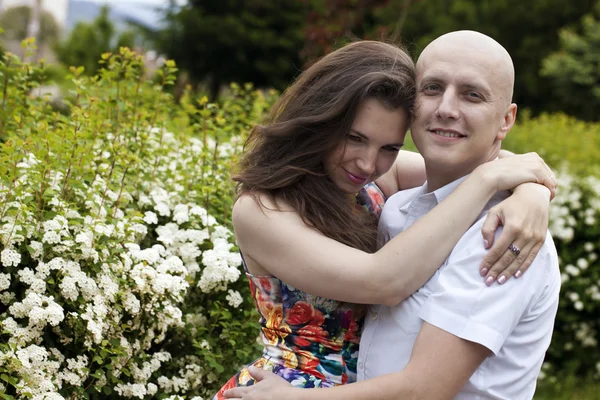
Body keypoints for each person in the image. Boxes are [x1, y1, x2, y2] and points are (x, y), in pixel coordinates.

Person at [223, 31, 560, 400]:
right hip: (284, 390)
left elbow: (462, 158)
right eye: (353, 137)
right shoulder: (261, 209)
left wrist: (532, 191)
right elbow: (380, 281)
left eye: (390, 147)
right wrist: (491, 177)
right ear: (320, 121)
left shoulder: (377, 178)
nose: (368, 162)